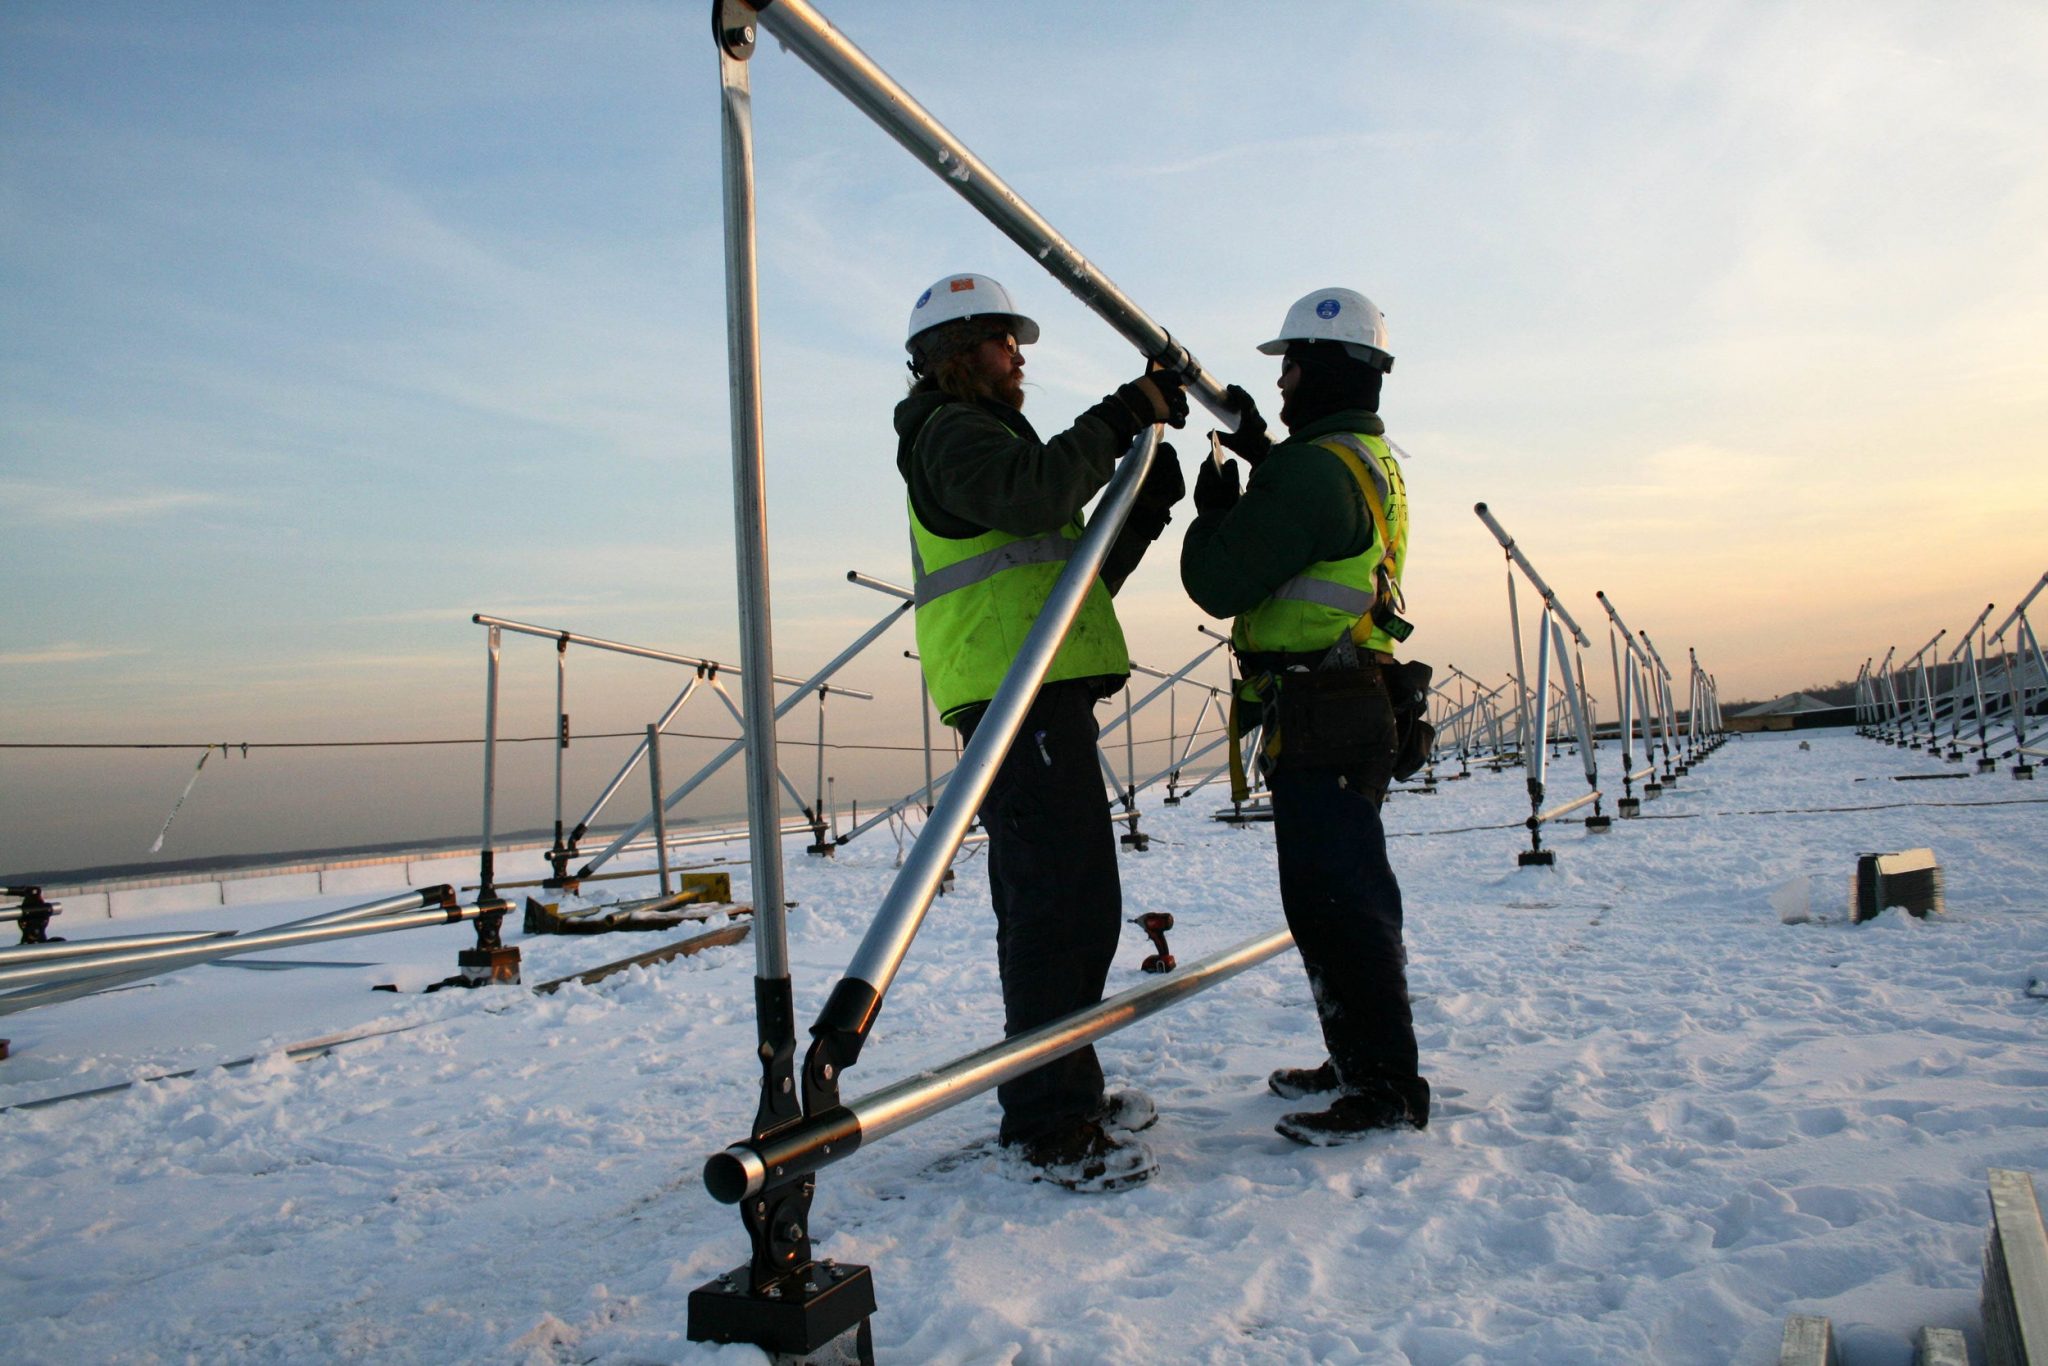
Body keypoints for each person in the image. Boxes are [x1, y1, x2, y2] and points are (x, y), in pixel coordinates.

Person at [896, 271, 1187, 1190]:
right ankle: (1047, 1122)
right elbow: (1030, 499)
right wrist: (1115, 416)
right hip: (1012, 701)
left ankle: (1064, 1092)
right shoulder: (949, 434)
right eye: (1001, 339)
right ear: (954, 356)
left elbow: (1071, 580)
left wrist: (1142, 501)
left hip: (1040, 692)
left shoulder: (991, 441)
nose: (1017, 354)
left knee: (1072, 907)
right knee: (1057, 909)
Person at [1179, 286, 1431, 1144]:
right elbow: (1308, 524)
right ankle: (1358, 1058)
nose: (1281, 384)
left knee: (1338, 902)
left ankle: (1385, 1087)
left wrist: (1215, 510)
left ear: (1322, 369)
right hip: (1352, 700)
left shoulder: (1314, 473)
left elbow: (1216, 581)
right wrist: (1263, 453)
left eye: (1290, 366)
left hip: (1324, 711)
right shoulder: (1365, 459)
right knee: (1338, 896)